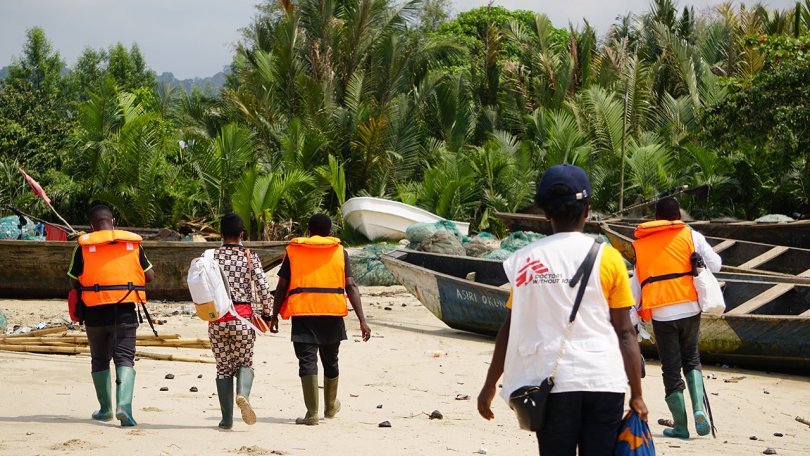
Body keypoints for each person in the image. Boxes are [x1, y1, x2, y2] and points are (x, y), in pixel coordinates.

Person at [477, 164, 648, 455]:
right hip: (604, 380)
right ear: (587, 210)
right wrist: (637, 394)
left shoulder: (527, 261)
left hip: (552, 384)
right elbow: (625, 332)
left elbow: (510, 328)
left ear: (546, 213)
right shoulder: (609, 258)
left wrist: (490, 384)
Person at [631, 197, 721, 439]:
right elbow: (718, 265)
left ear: (656, 219)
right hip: (690, 308)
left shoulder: (643, 244)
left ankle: (681, 426)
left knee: (671, 368)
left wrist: (633, 318)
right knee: (691, 358)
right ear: (679, 216)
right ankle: (699, 408)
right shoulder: (691, 236)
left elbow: (637, 285)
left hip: (661, 311)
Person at [269, 213, 371, 426]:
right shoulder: (339, 252)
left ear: (308, 231)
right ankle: (331, 407)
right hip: (331, 312)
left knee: (307, 361)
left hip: (304, 312)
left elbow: (281, 287)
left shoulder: (294, 251)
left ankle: (312, 413)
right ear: (329, 233)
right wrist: (362, 320)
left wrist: (275, 315)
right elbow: (351, 285)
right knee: (331, 359)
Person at [67, 204, 154, 427]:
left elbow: (73, 281)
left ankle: (105, 410)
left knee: (99, 359)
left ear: (90, 226)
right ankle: (123, 407)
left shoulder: (82, 247)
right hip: (125, 313)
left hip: (94, 315)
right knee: (125, 359)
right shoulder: (132, 245)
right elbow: (150, 276)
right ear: (112, 221)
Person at [209, 212, 273, 429]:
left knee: (223, 368)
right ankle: (242, 394)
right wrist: (268, 314)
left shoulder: (210, 256)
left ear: (221, 233)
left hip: (217, 319)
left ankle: (226, 419)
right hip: (243, 319)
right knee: (245, 362)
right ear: (241, 234)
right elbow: (263, 288)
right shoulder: (249, 256)